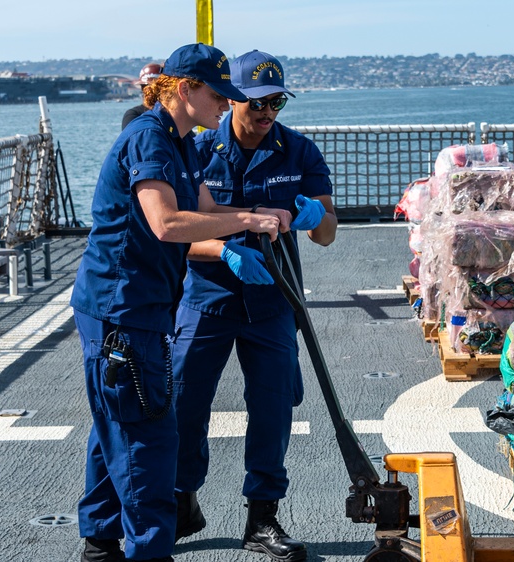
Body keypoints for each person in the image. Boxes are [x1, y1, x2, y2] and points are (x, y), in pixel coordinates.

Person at [71, 43, 290, 562]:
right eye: (218, 95)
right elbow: (166, 222)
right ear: (185, 89)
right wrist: (245, 223)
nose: (225, 106)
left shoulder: (184, 143)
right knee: (148, 437)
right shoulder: (149, 139)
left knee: (114, 427)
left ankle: (99, 543)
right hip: (124, 310)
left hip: (134, 307)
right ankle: (150, 552)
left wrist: (262, 213)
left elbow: (207, 207)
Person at [171, 50, 337, 562]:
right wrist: (224, 247)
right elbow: (173, 234)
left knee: (271, 412)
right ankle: (180, 502)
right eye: (259, 102)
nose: (268, 113)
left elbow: (328, 233)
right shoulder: (197, 150)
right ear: (235, 98)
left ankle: (262, 518)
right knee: (183, 403)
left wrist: (312, 214)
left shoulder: (299, 151)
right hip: (208, 299)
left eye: (277, 102)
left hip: (273, 301)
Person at [122, 62, 162, 130]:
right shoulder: (133, 115)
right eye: (145, 87)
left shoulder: (174, 115)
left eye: (155, 87)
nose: (149, 91)